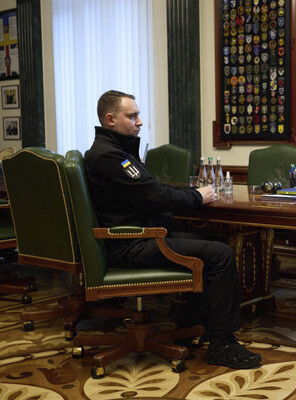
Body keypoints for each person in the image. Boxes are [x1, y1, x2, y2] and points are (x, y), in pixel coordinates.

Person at [85, 90, 261, 369]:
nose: (139, 122)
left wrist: (192, 195)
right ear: (110, 119)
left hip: (139, 236)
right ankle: (222, 344)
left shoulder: (115, 152)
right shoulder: (109, 157)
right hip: (131, 244)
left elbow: (150, 189)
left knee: (211, 240)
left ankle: (190, 323)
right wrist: (197, 197)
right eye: (132, 116)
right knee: (221, 254)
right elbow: (152, 195)